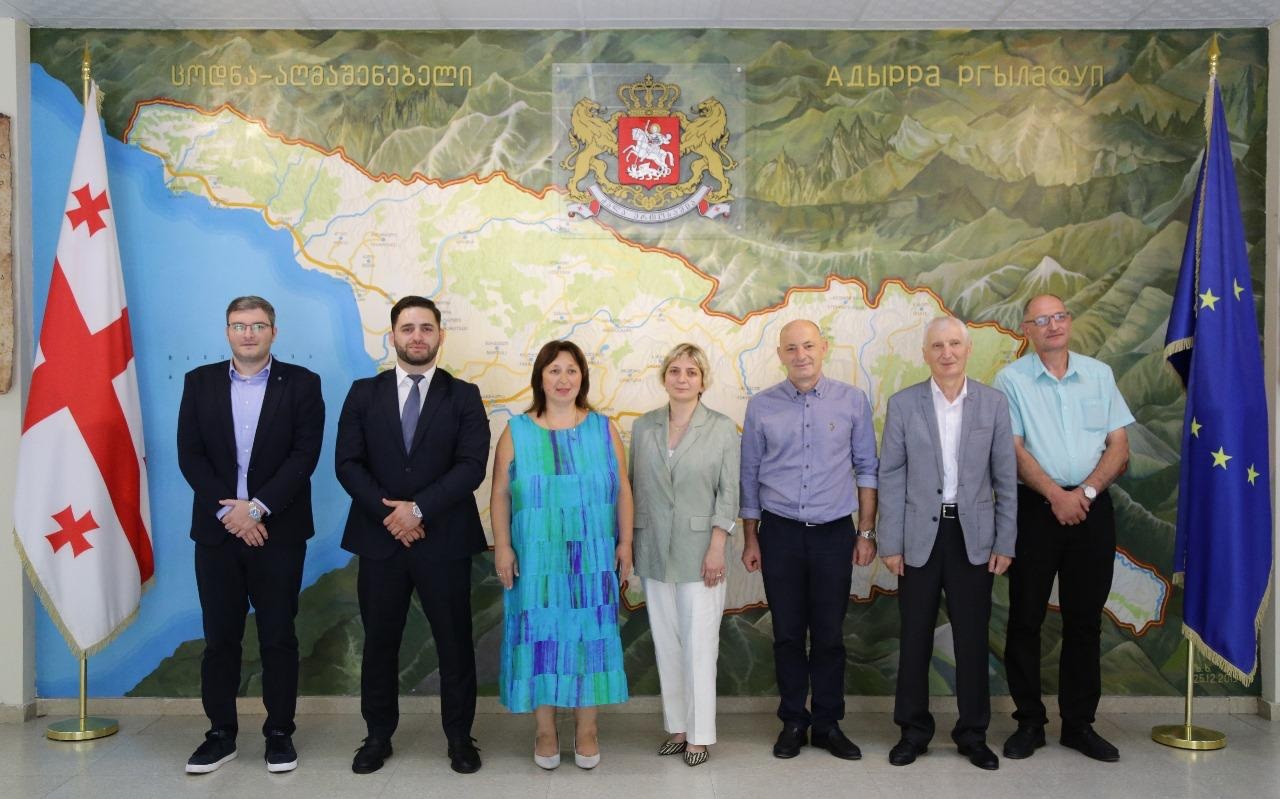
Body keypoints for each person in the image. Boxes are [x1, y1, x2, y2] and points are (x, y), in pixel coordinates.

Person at [335, 295, 490, 775]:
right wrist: (393, 515)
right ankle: (377, 736)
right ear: (393, 336)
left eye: (426, 328)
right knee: (380, 641)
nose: (417, 336)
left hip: (445, 539)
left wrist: (418, 509)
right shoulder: (363, 393)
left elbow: (471, 466)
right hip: (380, 538)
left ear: (440, 335)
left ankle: (460, 738)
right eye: (408, 328)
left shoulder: (463, 395)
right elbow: (347, 463)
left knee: (454, 642)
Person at [177, 295, 324, 775]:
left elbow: (304, 455)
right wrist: (232, 514)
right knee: (220, 638)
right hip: (218, 533)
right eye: (239, 325)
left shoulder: (302, 384)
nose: (248, 334)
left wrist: (257, 509)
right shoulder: (199, 382)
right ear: (227, 331)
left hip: (278, 532)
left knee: (278, 636)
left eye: (258, 325)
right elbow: (190, 455)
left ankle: (279, 733)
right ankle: (220, 735)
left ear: (273, 332)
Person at [994, 294, 1133, 763]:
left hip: (1092, 509)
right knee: (1025, 618)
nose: (1052, 325)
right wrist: (1056, 495)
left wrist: (1085, 493)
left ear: (1069, 322)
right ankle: (1029, 723)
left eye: (1059, 317)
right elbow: (1012, 449)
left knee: (1084, 621)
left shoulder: (1099, 375)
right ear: (1027, 330)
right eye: (1041, 320)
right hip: (1035, 510)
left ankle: (1079, 725)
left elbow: (1119, 445)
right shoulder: (1011, 380)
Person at [877, 316, 1017, 771]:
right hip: (919, 535)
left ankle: (973, 734)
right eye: (937, 345)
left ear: (968, 349)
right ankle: (913, 732)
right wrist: (890, 542)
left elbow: (1005, 478)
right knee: (915, 636)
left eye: (954, 343)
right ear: (925, 354)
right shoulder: (904, 404)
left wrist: (1005, 541)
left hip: (973, 537)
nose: (947, 353)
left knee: (972, 639)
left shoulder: (993, 404)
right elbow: (890, 475)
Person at [739, 319, 879, 761]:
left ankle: (828, 724)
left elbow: (867, 469)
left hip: (834, 534)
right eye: (791, 348)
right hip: (779, 533)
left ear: (823, 348)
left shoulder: (852, 401)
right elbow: (749, 476)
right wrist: (751, 538)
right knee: (786, 634)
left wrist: (866, 532)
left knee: (829, 635)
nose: (800, 355)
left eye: (808, 346)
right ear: (780, 354)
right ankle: (793, 722)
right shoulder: (761, 406)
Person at [491, 340, 633, 770]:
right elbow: (499, 494)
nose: (563, 379)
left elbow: (623, 490)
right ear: (540, 377)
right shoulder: (516, 431)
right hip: (536, 559)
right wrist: (503, 546)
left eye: (571, 370)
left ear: (582, 377)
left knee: (590, 635)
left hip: (592, 557)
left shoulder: (604, 429)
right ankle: (545, 730)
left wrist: (625, 543)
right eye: (554, 370)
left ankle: (587, 729)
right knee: (540, 636)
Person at [630, 343, 740, 767]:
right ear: (664, 377)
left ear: (703, 380)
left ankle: (700, 735)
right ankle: (678, 727)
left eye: (691, 372)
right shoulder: (644, 427)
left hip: (701, 552)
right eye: (675, 370)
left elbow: (728, 493)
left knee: (699, 646)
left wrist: (717, 546)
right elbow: (635, 487)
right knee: (667, 644)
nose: (682, 378)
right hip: (653, 548)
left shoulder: (721, 428)